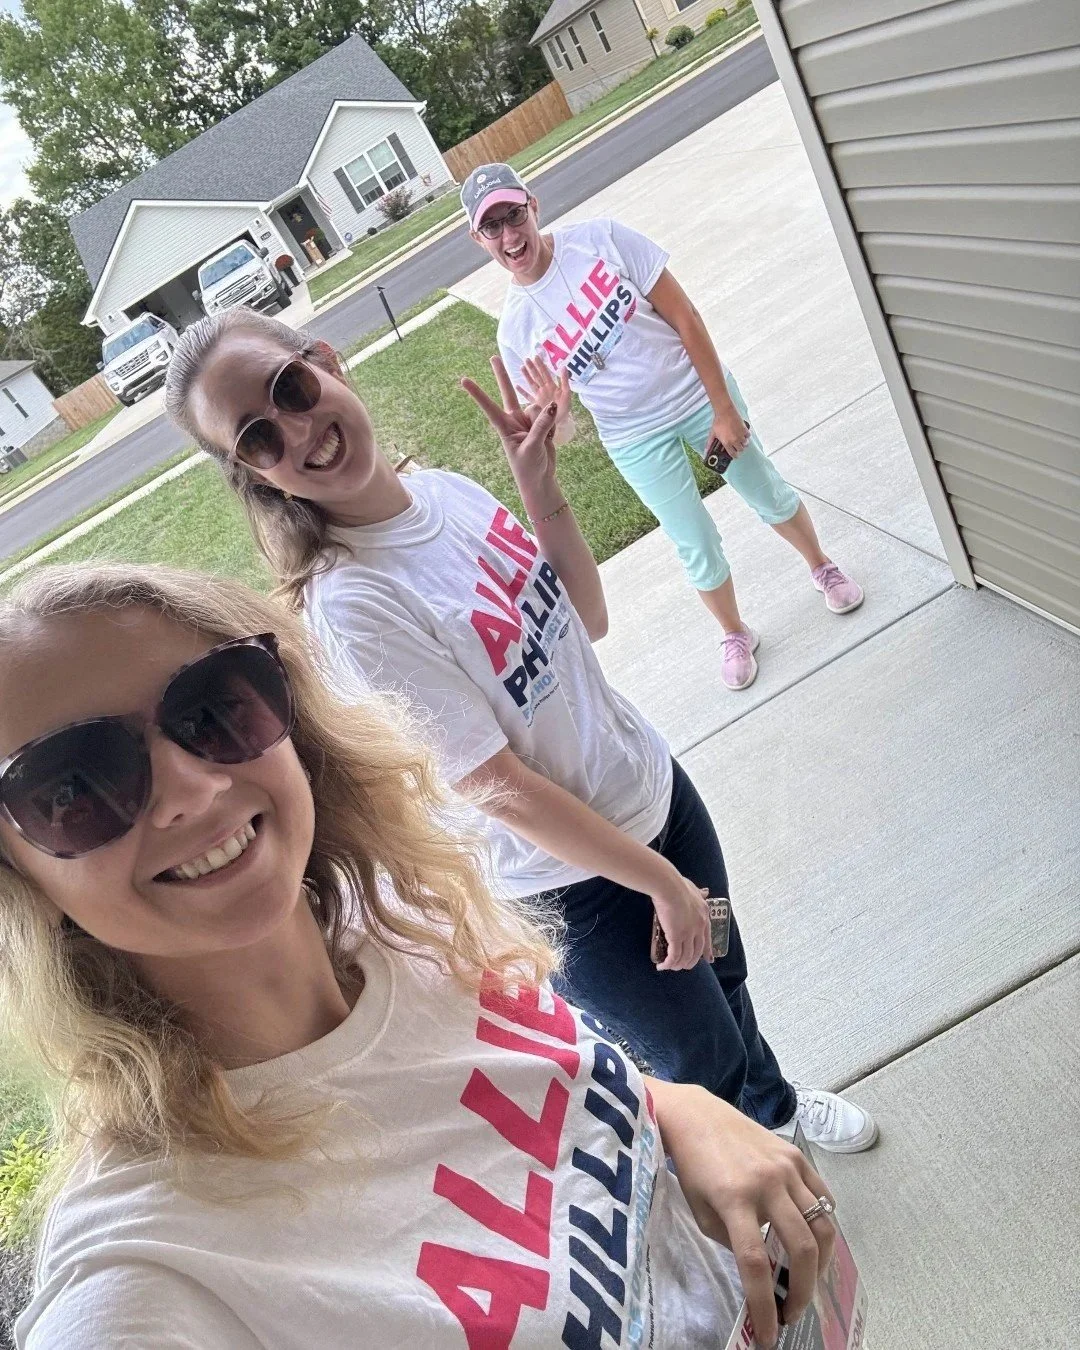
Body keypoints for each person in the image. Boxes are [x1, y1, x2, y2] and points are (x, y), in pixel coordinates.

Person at [0, 561, 843, 1349]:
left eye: (213, 707)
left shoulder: (405, 925)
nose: (193, 788)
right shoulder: (149, 1280)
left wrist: (674, 1111)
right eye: (71, 784)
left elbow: (546, 1088)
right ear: (19, 878)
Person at [161, 309, 878, 1158]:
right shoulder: (354, 603)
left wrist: (535, 483)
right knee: (695, 1060)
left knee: (726, 972)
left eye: (292, 388)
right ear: (254, 474)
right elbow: (494, 785)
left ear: (327, 361)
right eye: (258, 438)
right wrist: (659, 884)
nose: (297, 431)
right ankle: (755, 1187)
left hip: (650, 790)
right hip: (586, 882)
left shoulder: (442, 494)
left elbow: (587, 616)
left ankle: (778, 1107)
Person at [461, 163, 866, 692]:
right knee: (692, 539)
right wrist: (554, 418)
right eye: (493, 227)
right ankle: (735, 633)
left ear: (532, 206)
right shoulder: (515, 330)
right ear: (479, 238)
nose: (510, 235)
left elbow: (686, 316)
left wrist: (722, 408)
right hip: (634, 439)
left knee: (763, 487)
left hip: (698, 396)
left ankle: (822, 566)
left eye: (514, 215)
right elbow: (563, 438)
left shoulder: (601, 239)